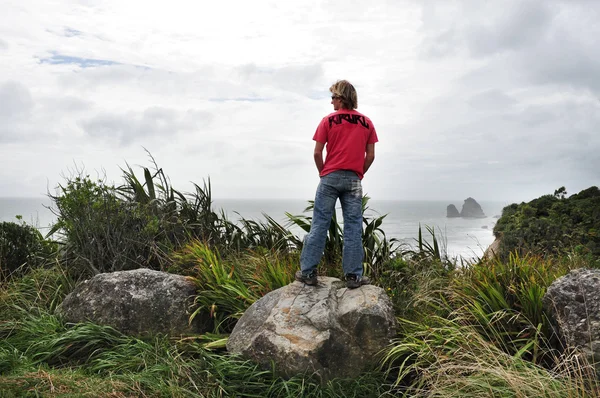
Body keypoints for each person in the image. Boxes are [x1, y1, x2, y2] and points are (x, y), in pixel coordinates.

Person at [295, 80, 378, 289]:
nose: (331, 101)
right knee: (352, 228)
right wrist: (359, 173)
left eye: (333, 97)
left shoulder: (327, 121)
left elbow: (317, 152)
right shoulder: (367, 123)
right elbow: (370, 156)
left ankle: (308, 273)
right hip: (353, 180)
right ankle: (353, 277)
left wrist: (323, 172)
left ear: (341, 98)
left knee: (319, 224)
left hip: (329, 178)